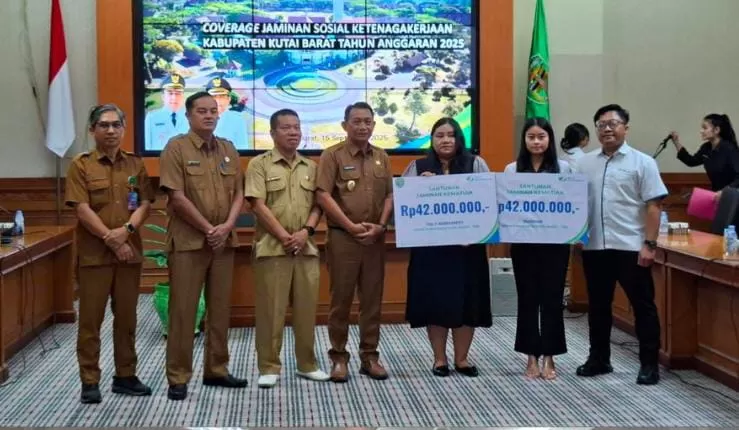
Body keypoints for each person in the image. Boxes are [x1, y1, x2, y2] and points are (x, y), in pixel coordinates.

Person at [64, 104, 155, 403]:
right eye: (104, 125)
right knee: (91, 321)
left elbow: (144, 203)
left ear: (124, 129)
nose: (111, 131)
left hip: (129, 255)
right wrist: (112, 239)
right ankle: (90, 380)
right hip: (95, 256)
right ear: (93, 130)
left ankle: (125, 376)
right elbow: (81, 209)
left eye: (116, 125)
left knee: (127, 319)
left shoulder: (135, 164)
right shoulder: (81, 165)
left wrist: (126, 232)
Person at [159, 92, 247, 400]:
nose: (209, 116)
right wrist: (209, 229)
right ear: (188, 116)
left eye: (213, 111)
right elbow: (176, 197)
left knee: (220, 311)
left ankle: (216, 370)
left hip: (223, 242)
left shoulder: (228, 149)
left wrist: (227, 226)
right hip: (189, 243)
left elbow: (239, 193)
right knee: (183, 312)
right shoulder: (176, 148)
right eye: (201, 111)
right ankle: (178, 376)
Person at [575, 104, 667, 385]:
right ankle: (599, 359)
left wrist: (650, 244)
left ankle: (649, 365)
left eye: (613, 123)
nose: (607, 129)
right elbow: (575, 202)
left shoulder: (643, 163)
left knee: (643, 307)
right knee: (598, 307)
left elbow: (654, 205)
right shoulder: (584, 164)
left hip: (631, 247)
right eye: (601, 124)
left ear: (626, 127)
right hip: (595, 247)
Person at [244, 109, 330, 388]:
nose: (293, 132)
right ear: (272, 133)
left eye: (297, 127)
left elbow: (318, 205)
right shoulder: (259, 164)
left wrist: (306, 232)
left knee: (306, 311)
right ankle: (269, 366)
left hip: (306, 249)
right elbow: (257, 205)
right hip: (272, 249)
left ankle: (307, 364)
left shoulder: (311, 167)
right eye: (286, 128)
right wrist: (284, 236)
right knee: (271, 311)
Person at [402, 117, 492, 378]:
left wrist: (476, 234)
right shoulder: (417, 167)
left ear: (459, 139)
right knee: (436, 303)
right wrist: (419, 188)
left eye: (451, 135)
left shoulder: (476, 164)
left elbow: (488, 202)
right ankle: (439, 359)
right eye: (439, 135)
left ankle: (462, 359)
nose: (445, 140)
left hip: (467, 249)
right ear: (431, 140)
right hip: (432, 252)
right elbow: (404, 206)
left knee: (467, 303)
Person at [315, 102, 393, 382]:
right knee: (341, 300)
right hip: (343, 238)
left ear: (374, 125)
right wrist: (349, 226)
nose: (362, 126)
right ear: (344, 125)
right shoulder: (332, 155)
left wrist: (380, 226)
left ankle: (370, 356)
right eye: (356, 121)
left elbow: (390, 195)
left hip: (374, 239)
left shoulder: (382, 156)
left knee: (372, 300)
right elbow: (322, 194)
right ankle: (338, 356)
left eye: (367, 121)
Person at [504, 117, 571, 380]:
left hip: (556, 245)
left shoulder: (563, 169)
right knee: (528, 299)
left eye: (541, 137)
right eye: (531, 137)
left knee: (552, 300)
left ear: (549, 139)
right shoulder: (512, 170)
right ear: (524, 140)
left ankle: (550, 356)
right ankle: (531, 355)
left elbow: (572, 204)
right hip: (524, 245)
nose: (536, 142)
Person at [670, 113, 739, 193]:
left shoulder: (729, 149)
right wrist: (676, 142)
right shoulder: (706, 148)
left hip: (733, 194)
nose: (701, 131)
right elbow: (691, 161)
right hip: (716, 193)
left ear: (717, 130)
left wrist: (725, 191)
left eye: (705, 128)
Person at [144, 73, 189, 151]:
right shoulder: (152, 118)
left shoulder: (191, 118)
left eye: (178, 93)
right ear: (163, 96)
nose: (174, 97)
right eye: (170, 93)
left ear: (183, 96)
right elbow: (147, 147)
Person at [206, 76, 251, 150]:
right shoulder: (195, 119)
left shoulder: (237, 120)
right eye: (214, 96)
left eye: (222, 96)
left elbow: (242, 148)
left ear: (228, 99)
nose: (218, 101)